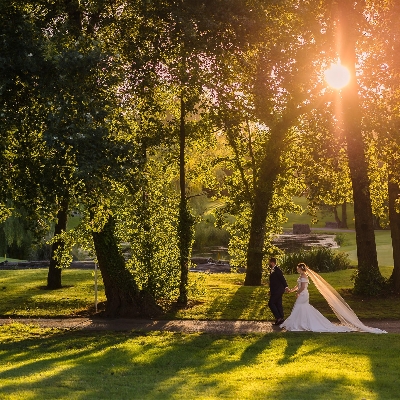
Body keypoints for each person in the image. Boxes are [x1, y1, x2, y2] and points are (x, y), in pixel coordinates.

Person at [280, 263, 387, 334]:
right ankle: (300, 323)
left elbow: (302, 287)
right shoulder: (301, 276)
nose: (296, 269)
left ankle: (301, 323)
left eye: (297, 268)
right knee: (302, 308)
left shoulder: (304, 276)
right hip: (302, 294)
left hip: (303, 295)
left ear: (301, 268)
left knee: (301, 307)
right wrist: (291, 290)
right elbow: (298, 286)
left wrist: (297, 293)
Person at [268, 257, 289, 326]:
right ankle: (281, 319)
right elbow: (273, 282)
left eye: (269, 262)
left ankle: (278, 318)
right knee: (278, 304)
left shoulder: (277, 270)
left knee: (271, 303)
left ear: (272, 262)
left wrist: (286, 287)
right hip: (275, 290)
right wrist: (270, 290)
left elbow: (282, 279)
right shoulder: (272, 270)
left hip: (278, 290)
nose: (268, 263)